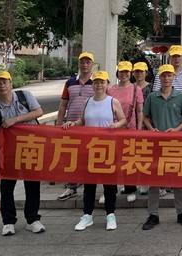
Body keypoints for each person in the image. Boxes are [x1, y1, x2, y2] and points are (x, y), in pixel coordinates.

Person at [62, 70, 127, 231]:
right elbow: (82, 120)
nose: (99, 85)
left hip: (108, 148)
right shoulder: (87, 102)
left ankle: (110, 214)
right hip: (90, 148)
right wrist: (73, 124)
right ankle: (87, 215)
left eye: (102, 82)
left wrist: (116, 124)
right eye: (96, 82)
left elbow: (123, 119)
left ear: (107, 84)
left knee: (109, 184)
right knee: (89, 185)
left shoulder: (112, 101)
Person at [0, 70, 45, 236]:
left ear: (11, 84)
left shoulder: (24, 96)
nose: (2, 85)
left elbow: (38, 112)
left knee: (32, 185)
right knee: (7, 187)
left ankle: (33, 219)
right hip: (9, 153)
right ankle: (8, 221)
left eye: (5, 82)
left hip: (30, 149)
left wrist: (15, 120)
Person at [141, 64, 182, 230]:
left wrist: (178, 130)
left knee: (178, 180)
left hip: (176, 144)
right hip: (156, 144)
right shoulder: (152, 97)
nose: (166, 78)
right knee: (154, 181)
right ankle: (153, 214)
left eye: (169, 75)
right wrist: (151, 129)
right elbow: (145, 116)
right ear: (159, 77)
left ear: (173, 77)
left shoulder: (181, 97)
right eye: (163, 75)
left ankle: (181, 212)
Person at [56, 52, 95, 201]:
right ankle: (71, 187)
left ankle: (90, 188)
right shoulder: (70, 83)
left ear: (92, 64)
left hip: (90, 126)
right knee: (71, 157)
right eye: (82, 62)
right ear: (78, 64)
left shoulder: (97, 82)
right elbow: (63, 104)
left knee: (90, 156)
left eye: (88, 62)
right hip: (71, 125)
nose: (85, 65)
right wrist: (59, 123)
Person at [107, 61, 144, 203]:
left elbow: (139, 111)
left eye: (127, 72)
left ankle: (130, 188)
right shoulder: (111, 90)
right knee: (112, 159)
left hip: (130, 129)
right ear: (118, 73)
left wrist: (139, 129)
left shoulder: (136, 89)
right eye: (121, 72)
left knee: (130, 159)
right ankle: (110, 189)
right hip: (114, 129)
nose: (124, 74)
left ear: (131, 73)